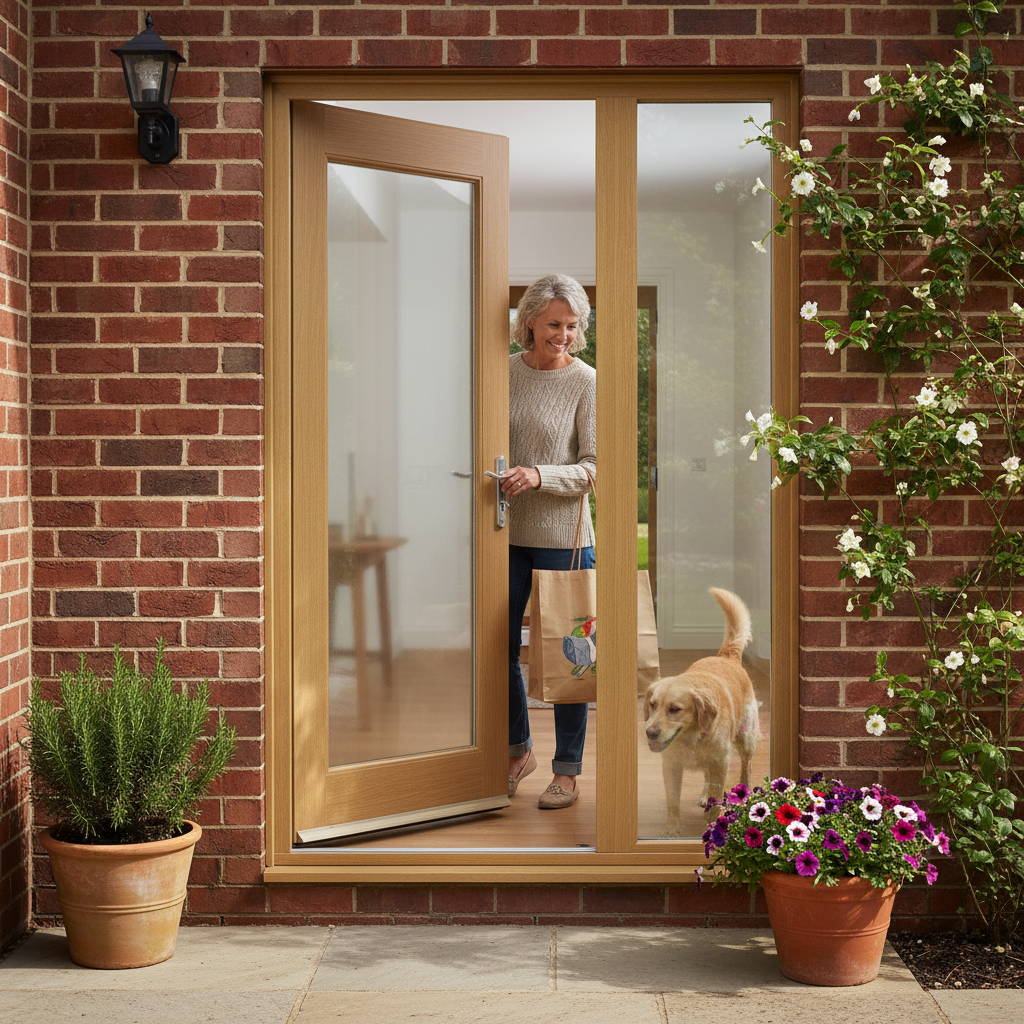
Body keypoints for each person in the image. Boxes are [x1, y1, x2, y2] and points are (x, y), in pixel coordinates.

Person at [502, 274, 596, 810]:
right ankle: (518, 751)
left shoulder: (586, 381)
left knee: (572, 658)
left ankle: (567, 770)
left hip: (566, 538)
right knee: (497, 649)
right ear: (530, 321)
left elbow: (596, 469)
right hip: (504, 532)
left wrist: (539, 475)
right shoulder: (503, 373)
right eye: (554, 323)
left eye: (571, 325)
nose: (562, 334)